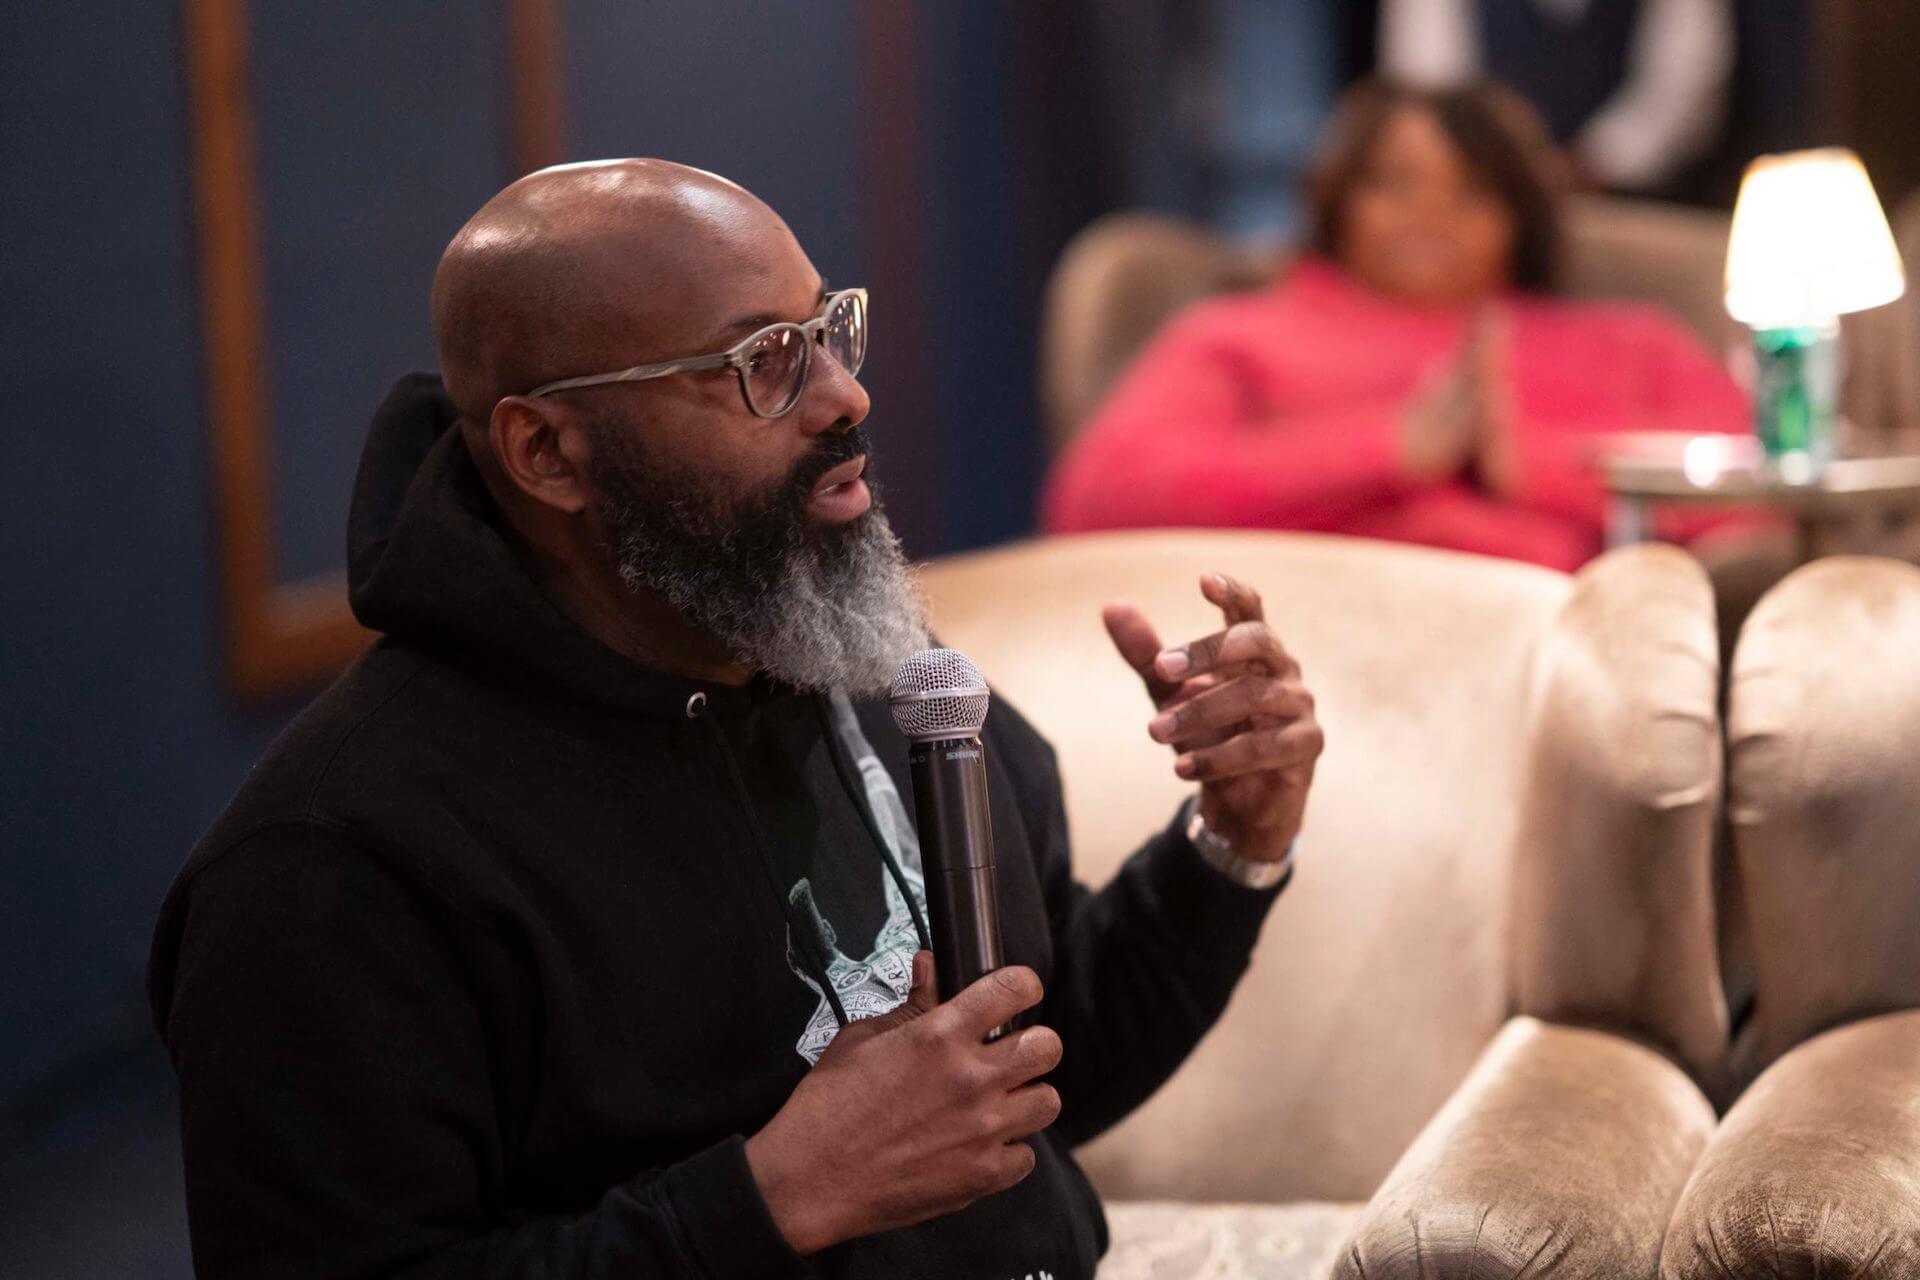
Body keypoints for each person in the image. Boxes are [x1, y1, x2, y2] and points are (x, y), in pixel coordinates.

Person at [148, 159, 1324, 1279]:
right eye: (764, 362)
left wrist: (1233, 840)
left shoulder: (853, 651)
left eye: (829, 329)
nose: (845, 394)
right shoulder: (333, 861)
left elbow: (1036, 1073)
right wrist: (769, 1197)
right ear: (548, 450)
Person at [1043, 80, 1754, 573]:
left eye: (1470, 190)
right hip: (1322, 667)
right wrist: (1390, 449)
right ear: (1339, 199)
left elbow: (1764, 496)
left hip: (1591, 664)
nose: (1430, 215)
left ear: (1520, 216)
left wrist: (1525, 462)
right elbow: (1099, 498)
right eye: (1394, 182)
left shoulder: (1627, 338)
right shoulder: (1243, 332)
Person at [1376, 0, 1735, 196]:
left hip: (1630, 205)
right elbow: (1429, 90)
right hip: (1481, 191)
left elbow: (1682, 89)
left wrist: (1595, 163)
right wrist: (1508, 165)